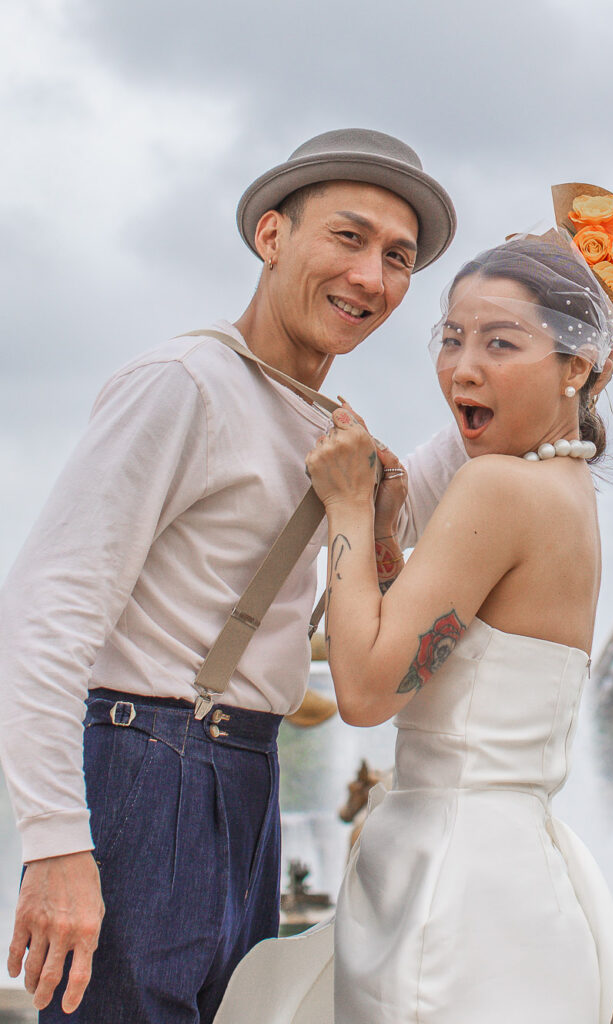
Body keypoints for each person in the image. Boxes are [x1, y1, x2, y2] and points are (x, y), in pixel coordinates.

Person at [0, 128, 461, 1023]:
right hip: (148, 760)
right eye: (348, 237)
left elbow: (416, 525)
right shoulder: (185, 383)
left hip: (245, 773)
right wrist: (55, 842)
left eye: (398, 258)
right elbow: (47, 608)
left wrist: (551, 353)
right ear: (271, 235)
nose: (371, 276)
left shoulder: (329, 424)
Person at [218, 234, 613, 1024]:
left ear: (577, 366)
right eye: (451, 338)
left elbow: (369, 690)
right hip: (518, 881)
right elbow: (460, 658)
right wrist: (379, 541)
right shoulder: (567, 493)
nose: (463, 367)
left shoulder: (496, 489)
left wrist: (344, 503)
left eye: (500, 342)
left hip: (449, 881)